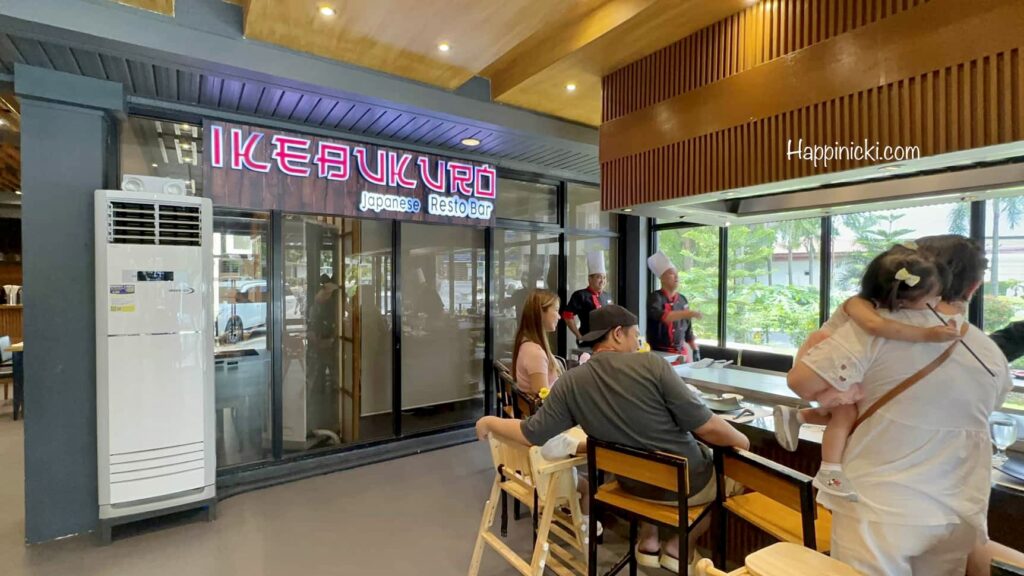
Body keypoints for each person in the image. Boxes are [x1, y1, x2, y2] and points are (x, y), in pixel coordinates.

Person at [787, 234, 1012, 576]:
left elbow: (802, 383)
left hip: (880, 508)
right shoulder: (989, 353)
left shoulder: (872, 332)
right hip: (958, 507)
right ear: (973, 287)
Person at [476, 305, 749, 574]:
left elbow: (531, 434)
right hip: (685, 485)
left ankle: (649, 538)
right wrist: (743, 442)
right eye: (635, 335)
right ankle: (682, 545)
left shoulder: (571, 382)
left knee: (640, 457)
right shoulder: (652, 365)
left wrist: (489, 421)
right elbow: (707, 427)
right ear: (618, 334)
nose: (638, 343)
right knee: (733, 475)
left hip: (629, 485)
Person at [773, 244, 959, 500]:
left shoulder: (878, 310)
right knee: (847, 416)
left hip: (837, 368)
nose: (936, 304)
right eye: (933, 298)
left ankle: (803, 425)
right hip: (824, 364)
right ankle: (829, 468)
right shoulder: (858, 305)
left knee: (850, 415)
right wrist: (928, 334)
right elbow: (877, 326)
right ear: (902, 299)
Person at [646, 251, 702, 362]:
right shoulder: (655, 297)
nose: (676, 277)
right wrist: (688, 313)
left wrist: (695, 348)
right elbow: (663, 316)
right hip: (659, 355)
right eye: (672, 274)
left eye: (677, 274)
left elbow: (688, 329)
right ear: (662, 278)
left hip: (680, 354)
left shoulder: (682, 299)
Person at [513, 289, 563, 395]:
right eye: (556, 310)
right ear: (541, 312)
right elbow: (542, 398)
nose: (559, 317)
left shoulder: (527, 343)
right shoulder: (535, 353)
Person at [563, 251, 613, 345]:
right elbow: (567, 316)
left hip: (606, 340)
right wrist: (579, 335)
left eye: (604, 277)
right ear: (590, 279)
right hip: (588, 339)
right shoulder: (580, 295)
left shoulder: (607, 296)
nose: (602, 281)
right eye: (599, 277)